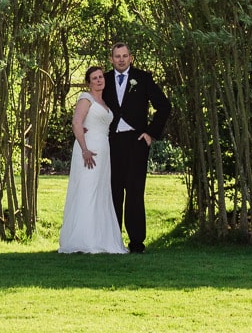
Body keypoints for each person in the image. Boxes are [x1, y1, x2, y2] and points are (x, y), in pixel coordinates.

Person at [100, 41, 170, 253]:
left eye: (124, 56)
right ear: (111, 59)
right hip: (110, 142)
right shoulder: (104, 79)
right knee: (112, 192)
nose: (121, 59)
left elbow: (164, 106)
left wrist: (150, 133)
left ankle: (137, 242)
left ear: (131, 57)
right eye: (117, 56)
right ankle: (112, 241)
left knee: (135, 192)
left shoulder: (143, 78)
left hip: (136, 142)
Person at [58, 66, 126, 254]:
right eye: (94, 78)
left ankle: (101, 238)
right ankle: (84, 239)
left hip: (104, 150)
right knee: (88, 190)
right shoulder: (85, 98)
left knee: (101, 192)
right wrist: (84, 148)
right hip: (89, 150)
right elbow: (76, 122)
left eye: (101, 77)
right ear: (88, 82)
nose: (99, 80)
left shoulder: (104, 101)